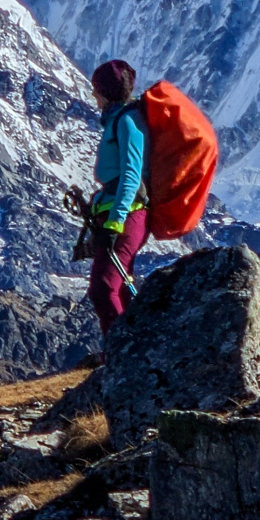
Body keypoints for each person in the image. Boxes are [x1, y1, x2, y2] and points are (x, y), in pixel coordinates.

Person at [87, 58, 149, 334]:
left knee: (104, 287)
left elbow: (131, 176)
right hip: (116, 214)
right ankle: (125, 350)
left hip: (127, 216)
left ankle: (120, 353)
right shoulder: (119, 120)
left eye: (96, 89)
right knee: (118, 287)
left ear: (105, 92)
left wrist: (115, 222)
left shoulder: (127, 122)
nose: (93, 95)